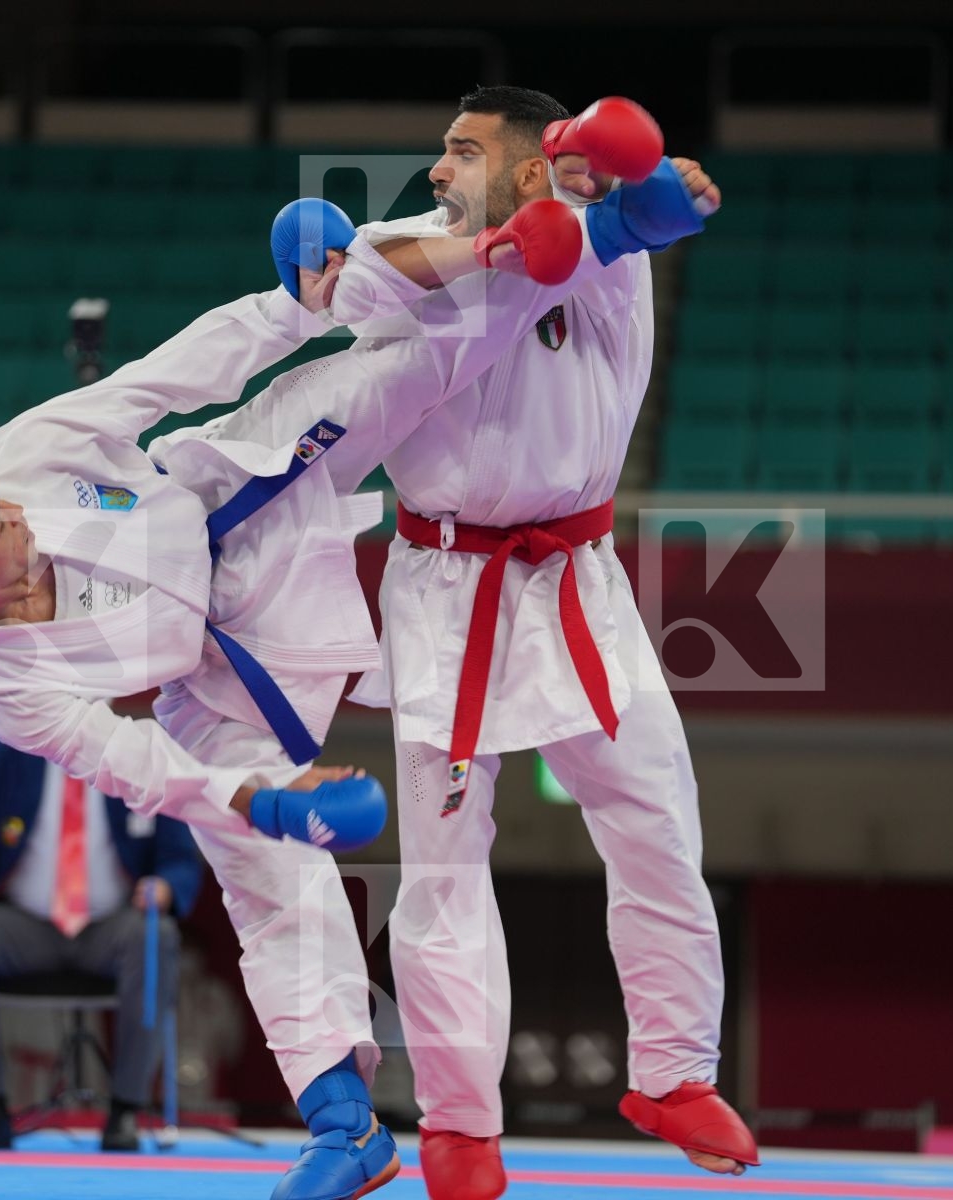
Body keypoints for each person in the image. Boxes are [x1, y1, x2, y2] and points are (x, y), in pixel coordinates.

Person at [0, 197, 657, 1200]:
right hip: (218, 666)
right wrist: (253, 802)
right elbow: (126, 761)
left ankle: (591, 246)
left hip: (225, 496)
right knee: (264, 876)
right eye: (0, 530)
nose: (13, 511)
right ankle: (343, 1121)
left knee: (382, 372)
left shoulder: (13, 458)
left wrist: (288, 311)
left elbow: (153, 383)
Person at [318, 87, 754, 1199]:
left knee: (656, 820)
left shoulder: (601, 250)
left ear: (527, 168)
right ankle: (459, 1125)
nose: (435, 167)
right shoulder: (395, 248)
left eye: (461, 151)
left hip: (574, 580)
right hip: (444, 588)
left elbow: (641, 214)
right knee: (445, 871)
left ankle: (672, 1072)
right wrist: (507, 240)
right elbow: (375, 275)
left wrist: (640, 182)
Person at [0, 732, 204, 1152]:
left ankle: (126, 1110)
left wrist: (165, 887)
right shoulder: (6, 750)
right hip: (28, 924)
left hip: (111, 927)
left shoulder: (141, 753)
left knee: (155, 935)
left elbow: (179, 860)